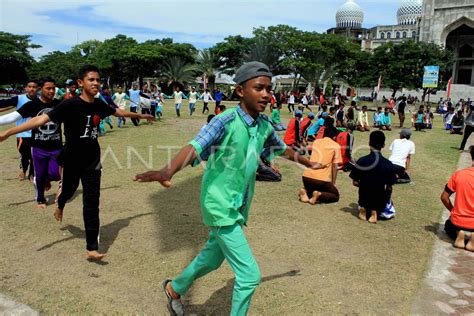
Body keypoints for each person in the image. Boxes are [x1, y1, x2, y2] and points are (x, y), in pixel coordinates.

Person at [133, 61, 325, 315]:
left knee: (211, 259)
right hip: (219, 204)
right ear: (240, 91)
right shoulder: (225, 121)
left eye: (269, 88)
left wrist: (308, 161)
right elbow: (195, 146)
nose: (267, 94)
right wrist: (167, 171)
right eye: (259, 88)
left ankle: (174, 288)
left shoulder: (264, 125)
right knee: (249, 276)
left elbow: (282, 149)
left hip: (238, 205)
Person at [0, 65, 155, 260]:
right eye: (91, 80)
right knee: (68, 191)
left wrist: (141, 115)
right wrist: (8, 132)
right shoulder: (69, 105)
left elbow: (118, 113)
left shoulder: (99, 104)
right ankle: (60, 204)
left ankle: (92, 247)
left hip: (92, 161)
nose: (96, 83)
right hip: (71, 159)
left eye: (98, 80)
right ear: (81, 83)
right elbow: (40, 121)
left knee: (92, 202)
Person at [0, 77, 62, 208]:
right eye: (48, 88)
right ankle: (40, 199)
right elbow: (12, 117)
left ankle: (46, 179)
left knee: (56, 174)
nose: (52, 91)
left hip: (56, 146)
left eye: (53, 88)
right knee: (38, 176)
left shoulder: (59, 104)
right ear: (41, 89)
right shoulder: (32, 105)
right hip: (38, 147)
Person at [350, 131, 397, 224]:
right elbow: (389, 187)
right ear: (383, 145)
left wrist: (365, 185)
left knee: (366, 190)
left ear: (369, 143)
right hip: (379, 199)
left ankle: (363, 209)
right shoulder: (388, 164)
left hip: (363, 197)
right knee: (385, 199)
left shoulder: (362, 161)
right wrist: (387, 198)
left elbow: (355, 182)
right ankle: (374, 212)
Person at [0, 79, 37, 181]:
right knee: (25, 155)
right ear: (26, 88)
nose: (32, 89)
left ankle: (32, 174)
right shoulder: (19, 98)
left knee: (35, 155)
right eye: (29, 87)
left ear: (38, 88)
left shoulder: (40, 100)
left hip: (36, 133)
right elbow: (3, 103)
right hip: (22, 133)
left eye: (34, 87)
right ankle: (24, 170)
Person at [441, 146, 474, 250]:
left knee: (448, 225)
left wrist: (453, 210)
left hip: (458, 220)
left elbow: (444, 197)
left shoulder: (459, 174)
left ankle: (459, 232)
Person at [300, 126, 342, 204]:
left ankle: (305, 191)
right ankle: (318, 195)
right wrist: (333, 183)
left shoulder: (316, 141)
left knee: (313, 188)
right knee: (335, 195)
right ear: (334, 137)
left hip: (306, 177)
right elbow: (334, 166)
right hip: (321, 180)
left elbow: (310, 153)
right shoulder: (336, 146)